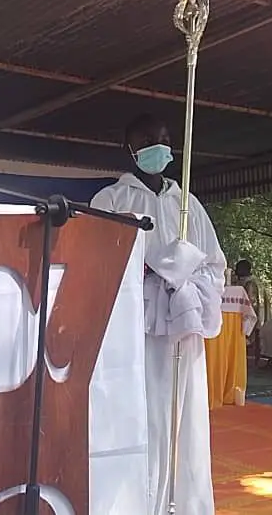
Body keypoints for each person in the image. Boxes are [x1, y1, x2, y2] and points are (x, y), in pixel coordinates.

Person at [90, 113, 223, 515]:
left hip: (182, 326)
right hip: (138, 331)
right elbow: (95, 266)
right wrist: (151, 273)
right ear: (129, 149)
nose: (159, 147)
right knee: (141, 416)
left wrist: (185, 284)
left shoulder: (188, 204)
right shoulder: (111, 201)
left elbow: (215, 265)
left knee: (185, 420)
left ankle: (183, 504)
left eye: (164, 139)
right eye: (149, 140)